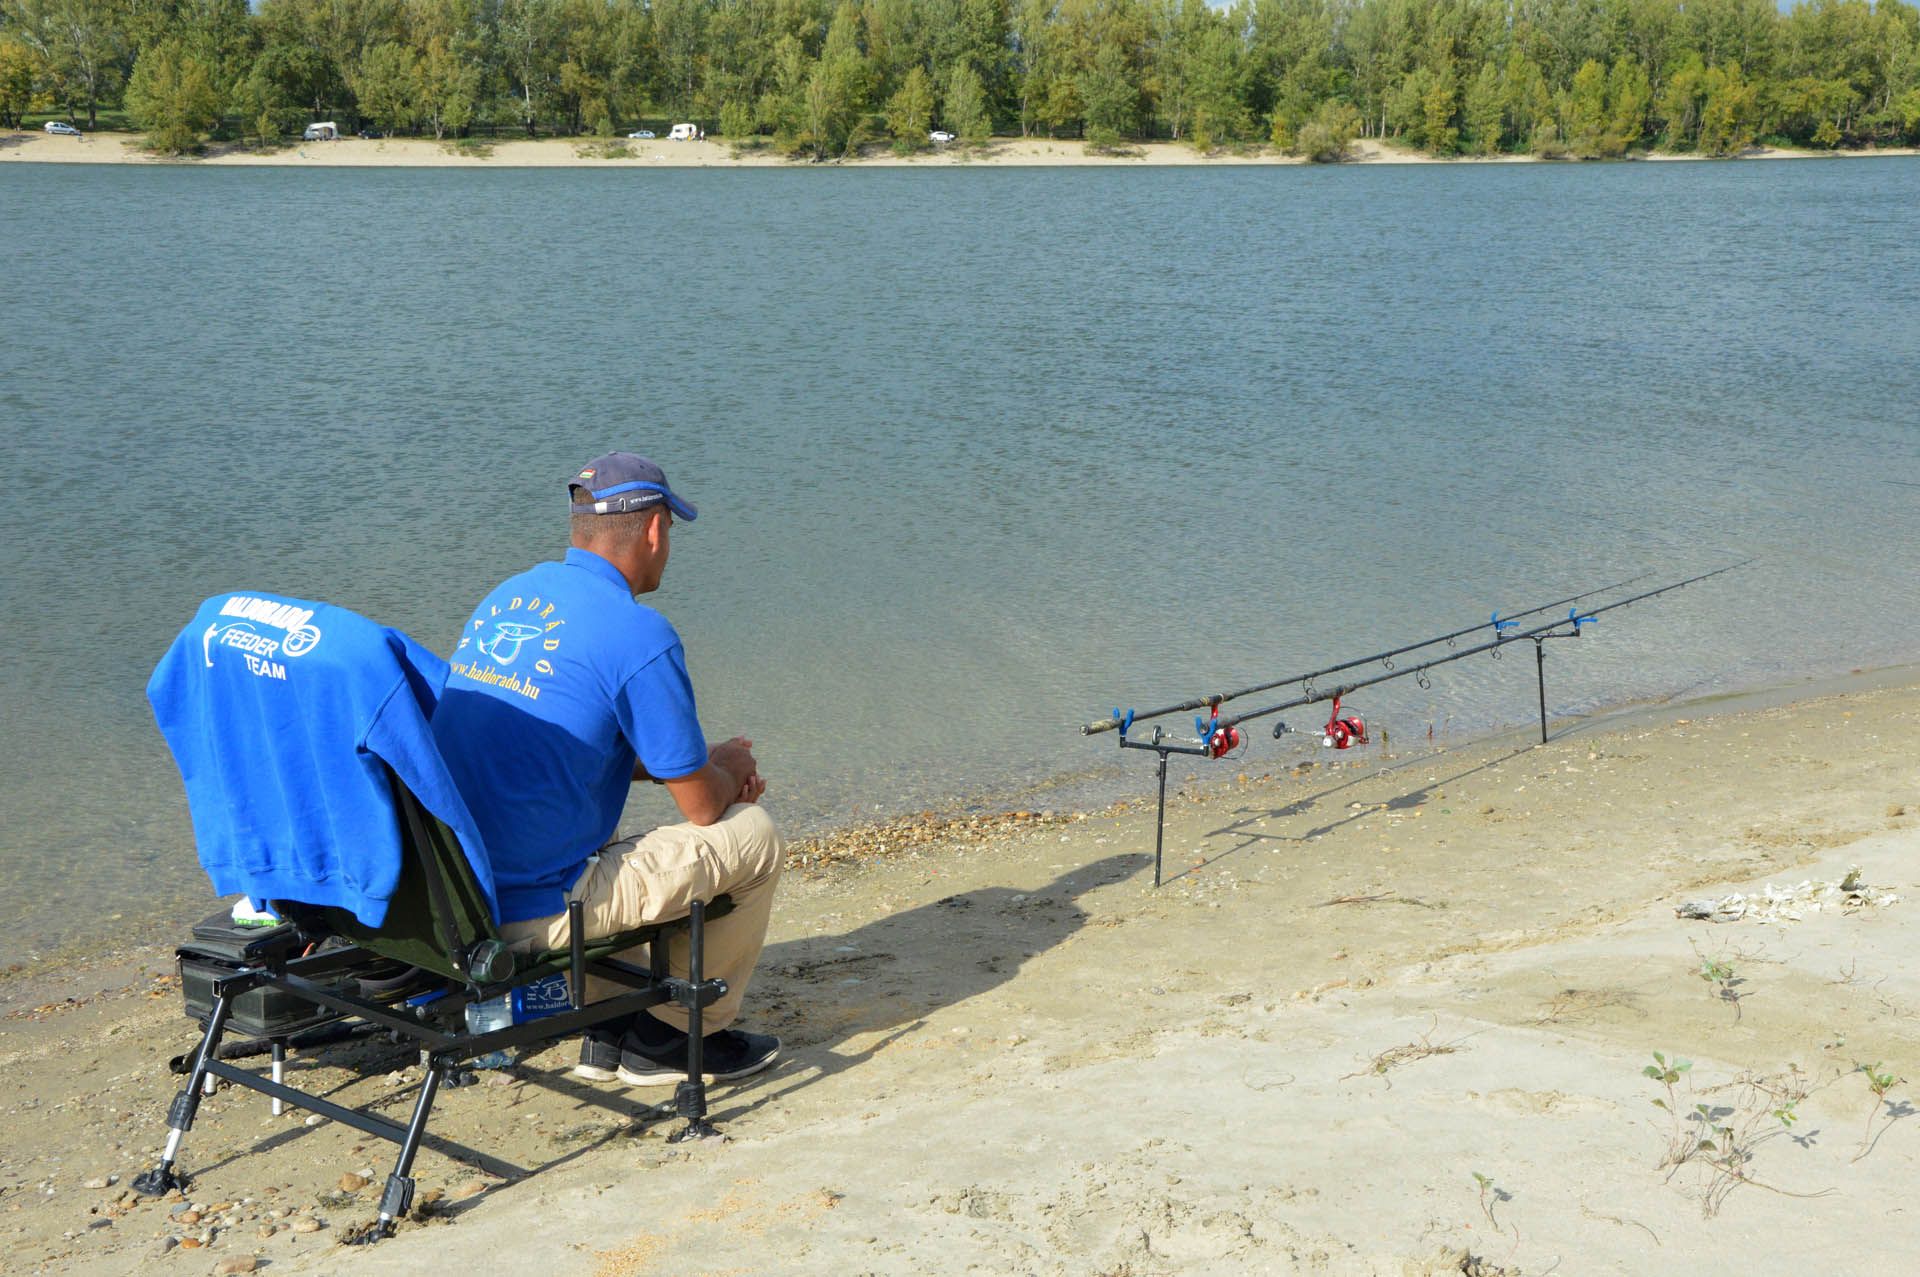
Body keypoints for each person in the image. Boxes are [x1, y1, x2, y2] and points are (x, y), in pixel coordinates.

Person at [431, 452, 782, 1085]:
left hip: (457, 897)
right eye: (670, 531)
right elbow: (700, 806)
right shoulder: (638, 632)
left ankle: (604, 1023)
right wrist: (728, 768)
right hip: (535, 913)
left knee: (597, 829)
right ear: (653, 530)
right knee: (753, 834)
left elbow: (563, 739)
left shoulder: (508, 597)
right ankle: (675, 1036)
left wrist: (690, 766)